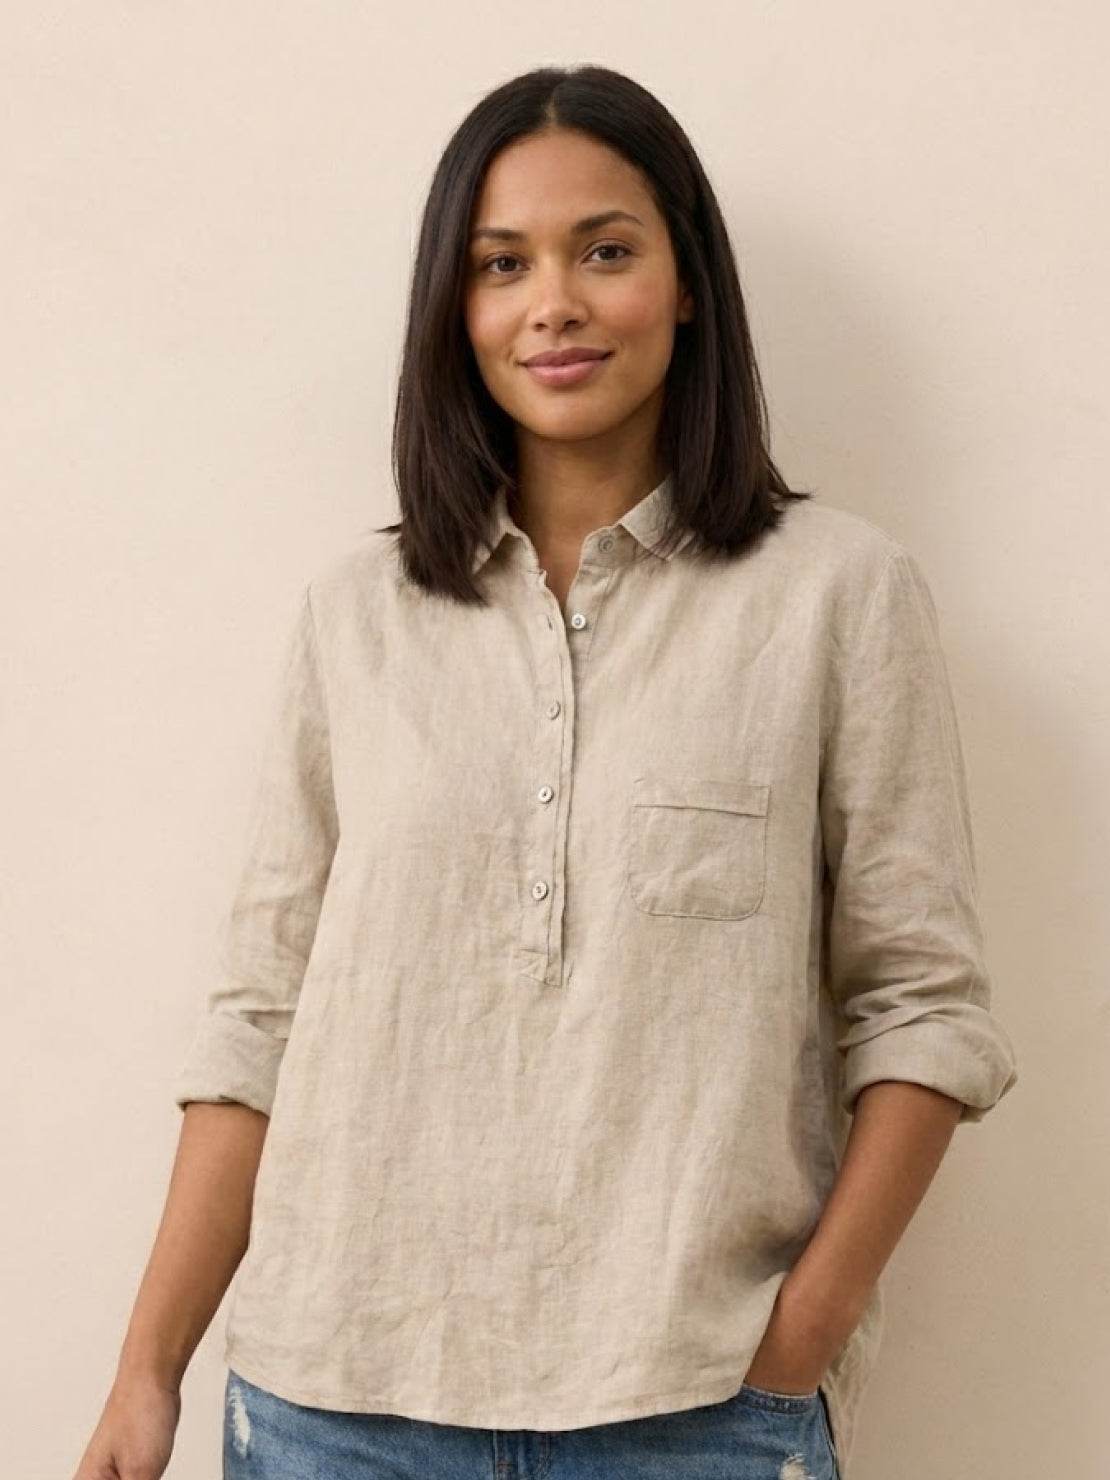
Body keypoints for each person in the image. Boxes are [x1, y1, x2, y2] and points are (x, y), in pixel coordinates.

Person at [72, 63, 1018, 1480]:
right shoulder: (356, 616)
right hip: (336, 1404)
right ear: (453, 311)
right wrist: (146, 1372)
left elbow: (923, 1008)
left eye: (606, 252)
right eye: (501, 264)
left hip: (696, 1408)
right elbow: (262, 1017)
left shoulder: (838, 597)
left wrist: (798, 1342)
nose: (552, 303)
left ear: (687, 285)